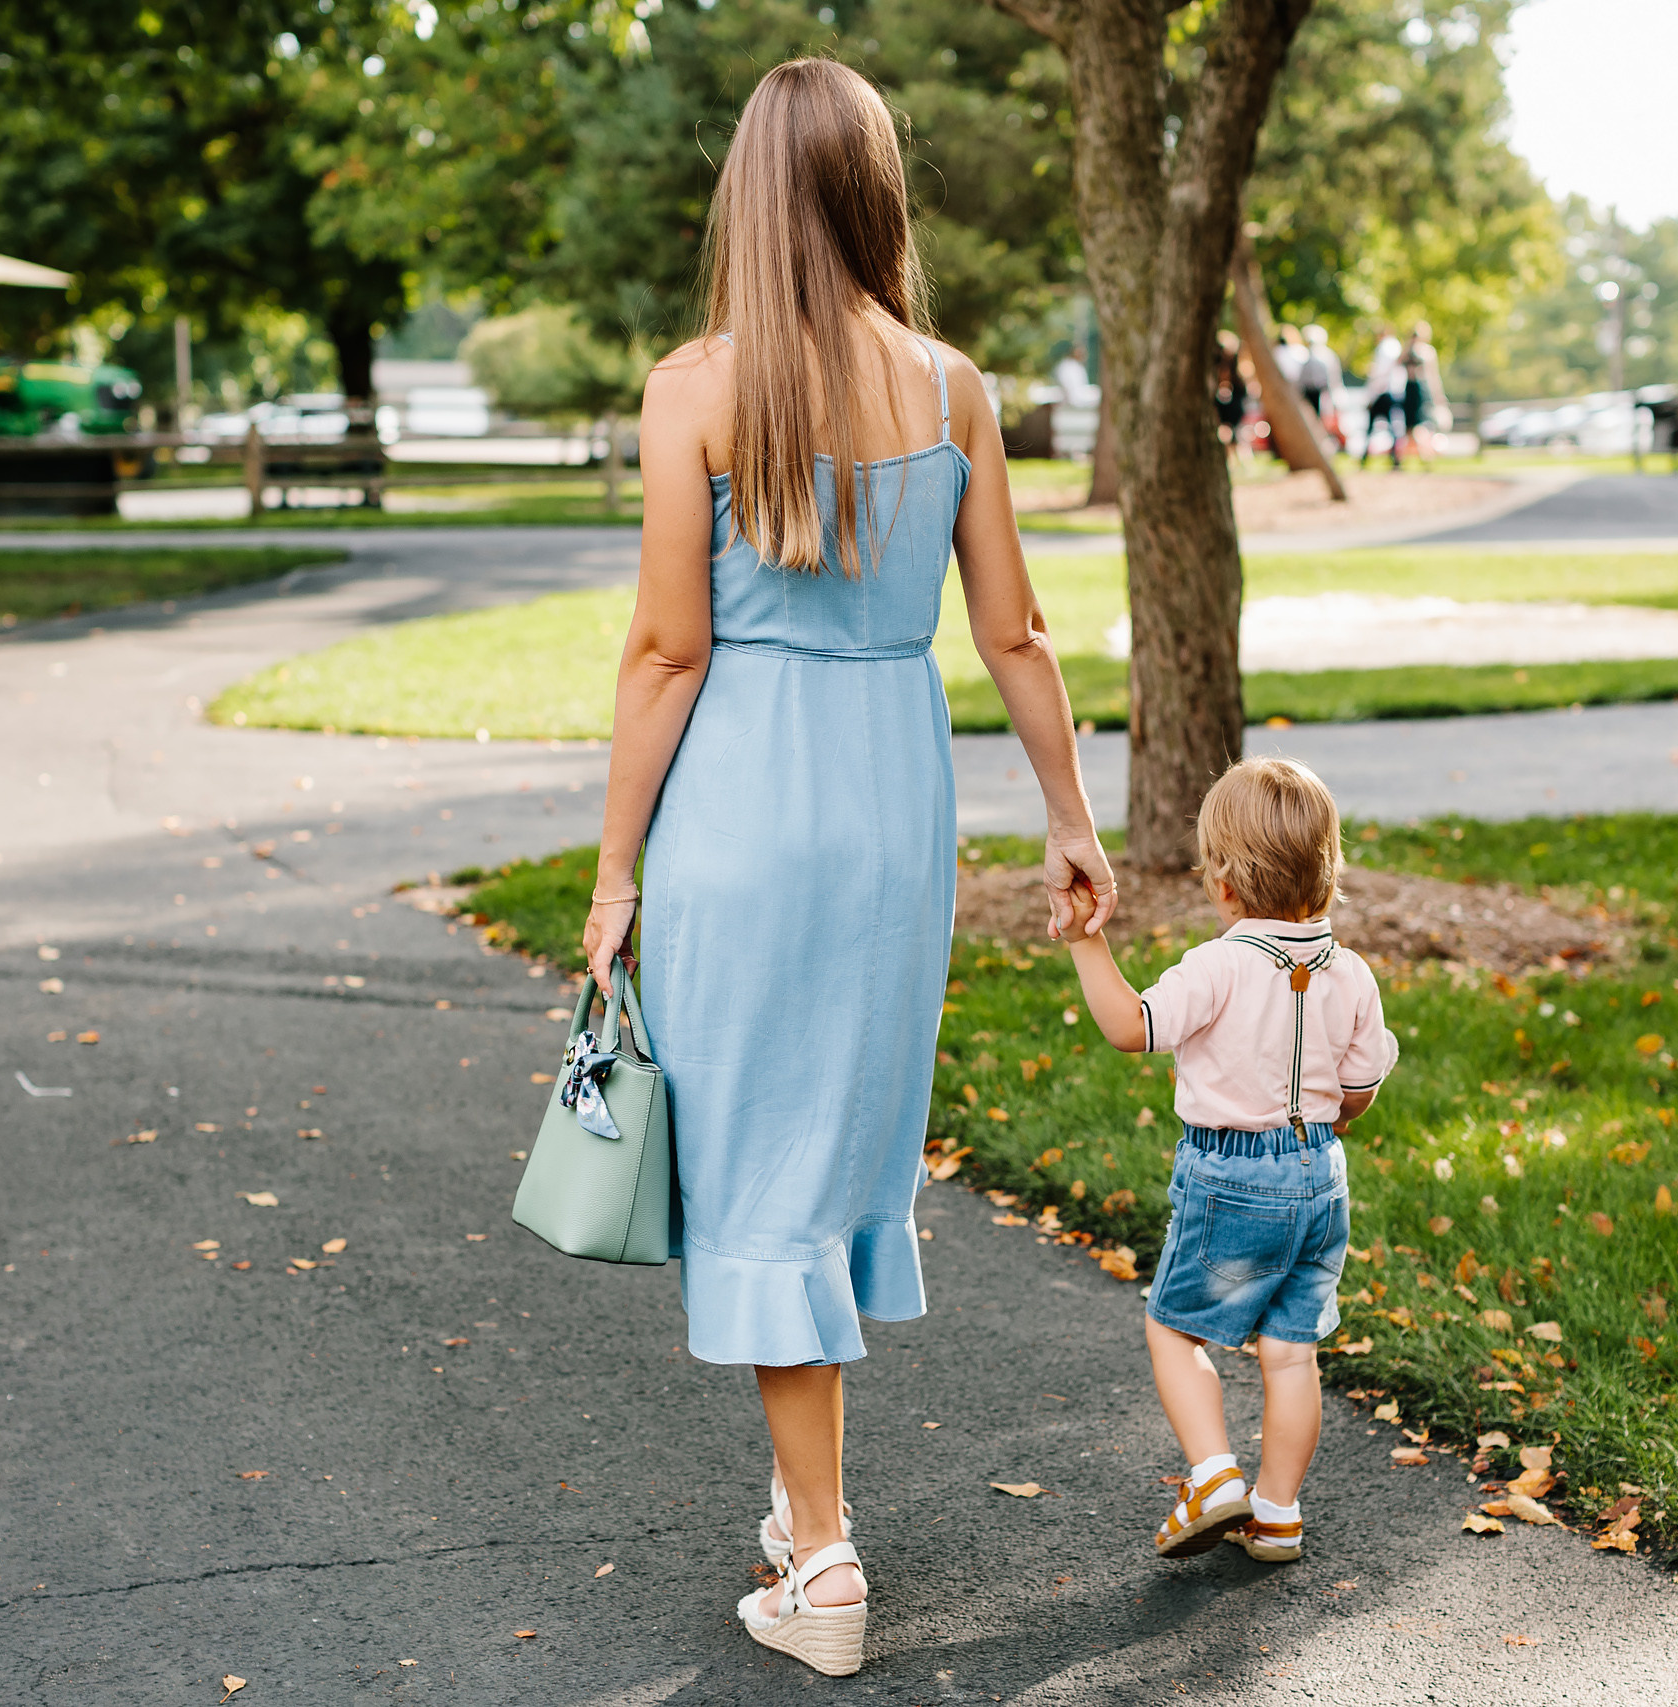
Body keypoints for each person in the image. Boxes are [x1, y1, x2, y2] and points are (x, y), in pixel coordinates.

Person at [578, 57, 1115, 1679]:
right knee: (816, 1161)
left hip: (744, 806)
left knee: (761, 1180)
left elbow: (669, 653)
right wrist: (1072, 818)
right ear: (880, 192)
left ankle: (821, 1559)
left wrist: (615, 875)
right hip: (894, 812)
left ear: (745, 195)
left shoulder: (695, 392)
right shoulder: (951, 386)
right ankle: (796, 1506)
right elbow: (1011, 628)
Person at [1051, 758, 1397, 1567]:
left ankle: (1212, 1476)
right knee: (1291, 1350)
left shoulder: (1219, 965)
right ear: (1327, 870)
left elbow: (1133, 1026)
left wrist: (1086, 941)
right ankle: (1277, 1511)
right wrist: (1324, 1118)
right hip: (1320, 1177)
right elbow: (1358, 1091)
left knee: (1174, 1328)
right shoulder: (1351, 973)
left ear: (1226, 886)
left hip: (1231, 1176)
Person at [1400, 321, 1448, 470]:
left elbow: (1433, 376)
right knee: (1408, 427)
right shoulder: (1408, 351)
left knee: (1420, 426)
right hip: (1409, 389)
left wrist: (1438, 395)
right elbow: (1399, 362)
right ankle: (1406, 458)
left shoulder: (1427, 352)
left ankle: (1425, 455)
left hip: (1421, 390)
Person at [1358, 324, 1402, 469]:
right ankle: (1395, 456)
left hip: (1381, 392)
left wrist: (1371, 395)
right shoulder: (1396, 347)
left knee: (1372, 426)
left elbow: (1379, 373)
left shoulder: (1383, 349)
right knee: (1393, 426)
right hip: (1394, 392)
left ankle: (1365, 456)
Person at [1298, 324, 1343, 452]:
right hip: (1310, 393)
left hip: (1323, 393)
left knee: (1325, 422)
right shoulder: (1307, 356)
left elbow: (1333, 379)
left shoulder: (1326, 356)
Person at [1215, 330, 1252, 467]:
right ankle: (1238, 461)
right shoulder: (1239, 367)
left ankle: (1237, 461)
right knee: (1235, 434)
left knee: (1233, 433)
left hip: (1233, 403)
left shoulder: (1232, 368)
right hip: (1235, 403)